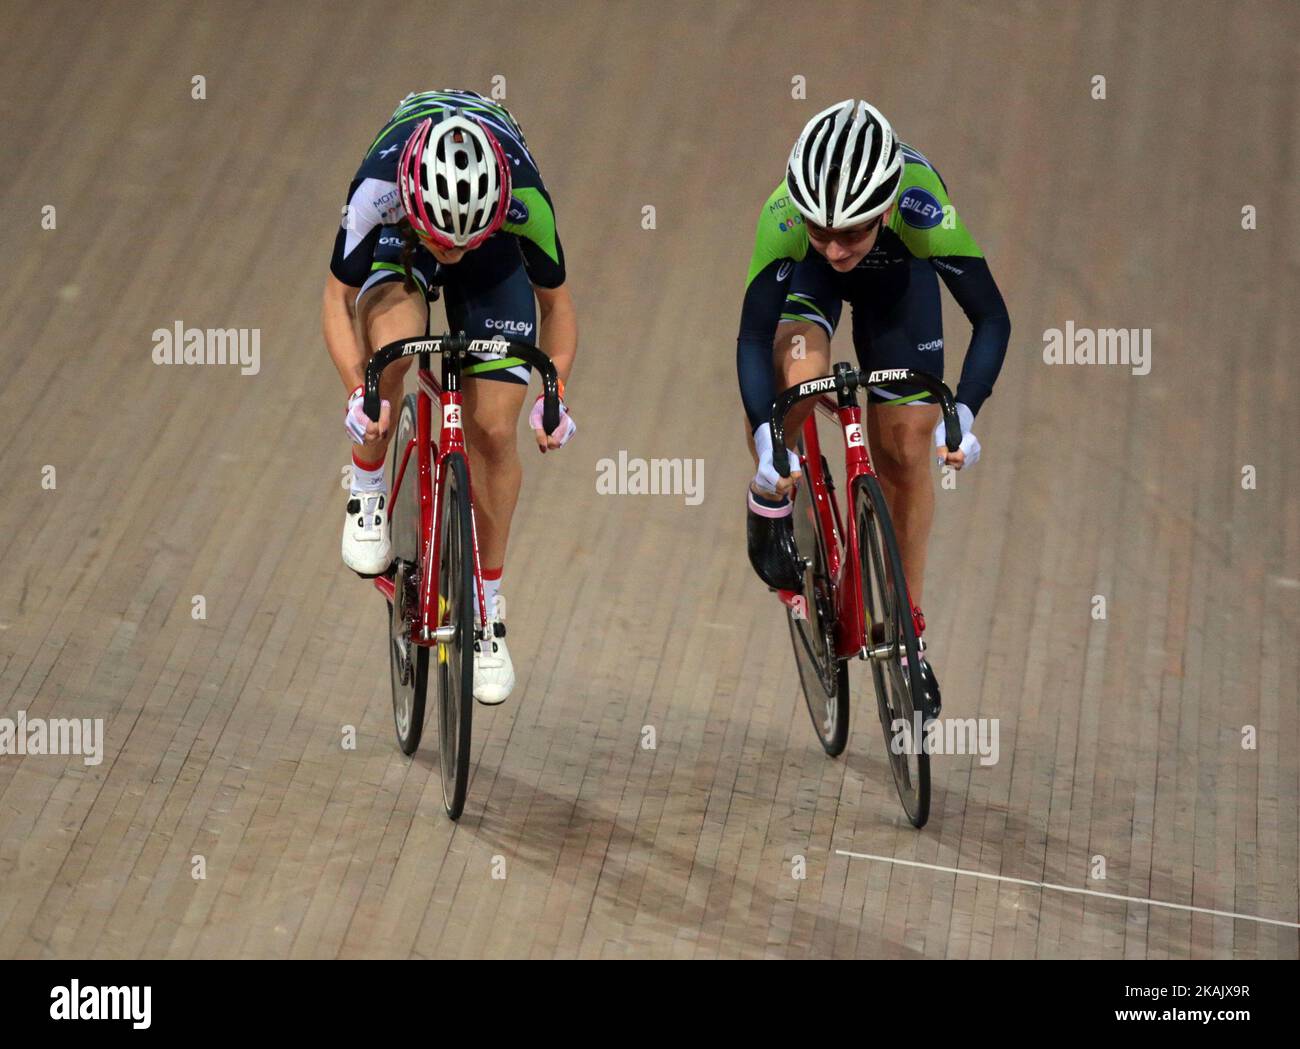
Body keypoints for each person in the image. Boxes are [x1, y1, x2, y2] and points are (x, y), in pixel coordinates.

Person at [738, 99, 1011, 709]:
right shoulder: (785, 217)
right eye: (821, 230)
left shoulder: (922, 208)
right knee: (800, 370)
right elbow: (754, 338)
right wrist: (766, 439)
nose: (835, 248)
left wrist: (962, 413)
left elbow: (992, 317)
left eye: (853, 230)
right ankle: (773, 495)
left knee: (907, 444)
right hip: (807, 290)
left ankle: (909, 634)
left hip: (896, 284)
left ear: (886, 208)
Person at [322, 89, 579, 705]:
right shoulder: (378, 188)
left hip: (497, 254)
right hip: (400, 242)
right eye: (446, 241)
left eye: (462, 240)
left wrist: (556, 393)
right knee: (396, 347)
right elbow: (336, 299)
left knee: (493, 429)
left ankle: (486, 607)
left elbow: (558, 310)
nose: (452, 252)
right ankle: (367, 490)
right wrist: (358, 390)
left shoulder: (525, 200)